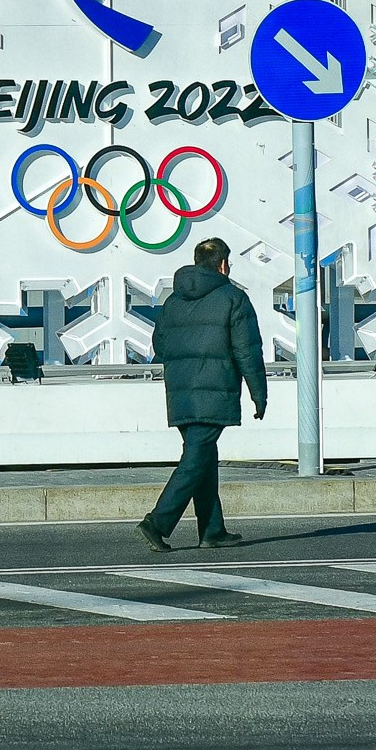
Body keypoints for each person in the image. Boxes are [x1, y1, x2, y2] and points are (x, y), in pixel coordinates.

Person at [139, 237, 267, 553]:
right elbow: (247, 350)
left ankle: (212, 531)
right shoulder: (233, 298)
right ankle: (157, 522)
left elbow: (160, 345)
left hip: (180, 392)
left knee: (203, 457)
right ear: (223, 265)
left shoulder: (173, 301)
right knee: (196, 459)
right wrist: (259, 393)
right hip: (214, 390)